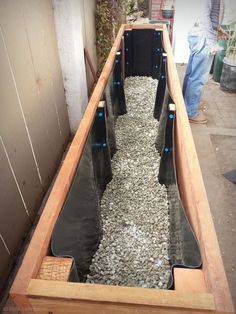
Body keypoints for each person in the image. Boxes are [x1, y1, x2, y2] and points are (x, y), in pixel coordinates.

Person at [183, 0, 227, 124]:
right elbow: (203, 14)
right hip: (204, 37)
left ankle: (186, 104)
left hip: (200, 33)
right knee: (198, 78)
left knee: (192, 73)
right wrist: (211, 42)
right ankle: (190, 112)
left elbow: (211, 12)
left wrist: (217, 28)